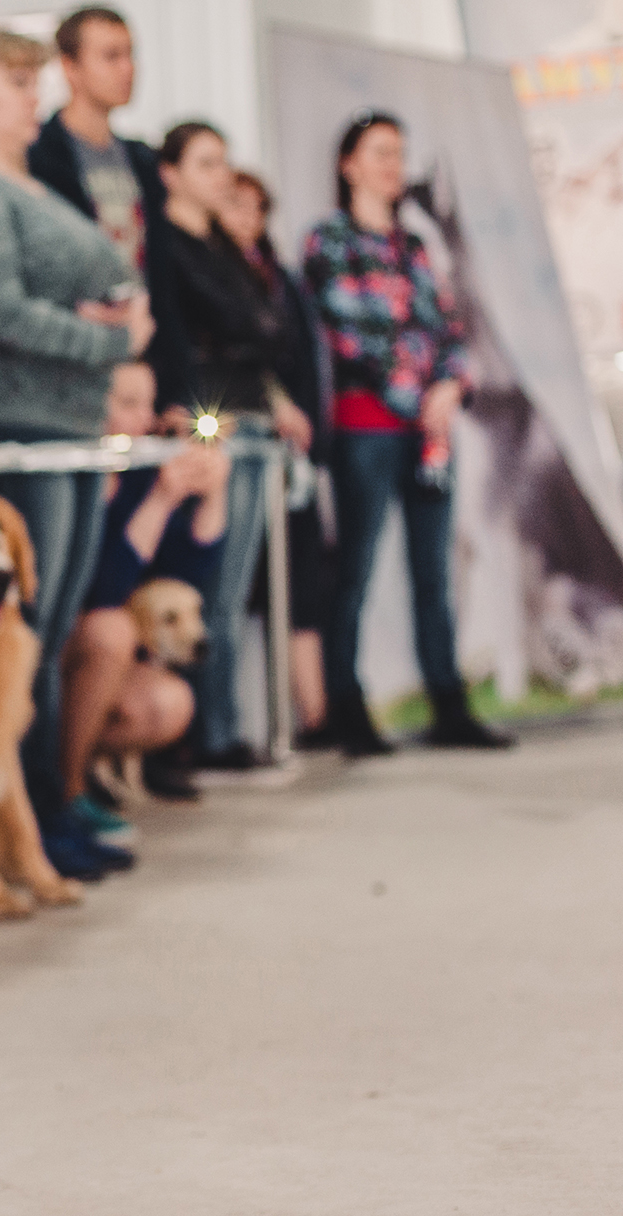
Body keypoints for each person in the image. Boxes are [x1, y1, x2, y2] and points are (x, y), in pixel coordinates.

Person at [0, 30, 149, 882]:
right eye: (14, 80)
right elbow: (1, 312)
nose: (30, 95)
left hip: (62, 430)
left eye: (32, 80)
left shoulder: (19, 181)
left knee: (43, 634)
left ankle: (49, 802)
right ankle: (36, 819)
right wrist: (106, 340)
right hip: (10, 432)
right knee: (23, 640)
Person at [303, 111, 512, 755]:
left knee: (434, 570)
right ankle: (348, 707)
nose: (394, 166)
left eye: (400, 154)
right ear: (349, 165)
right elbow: (350, 336)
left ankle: (448, 701)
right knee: (356, 569)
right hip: (368, 428)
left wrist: (449, 387)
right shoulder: (329, 242)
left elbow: (448, 327)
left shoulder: (414, 246)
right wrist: (415, 398)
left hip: (430, 431)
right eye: (381, 153)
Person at [157, 119, 311, 774]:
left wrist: (275, 395)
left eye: (224, 163)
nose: (221, 176)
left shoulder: (225, 246)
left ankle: (221, 725)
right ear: (171, 174)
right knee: (209, 582)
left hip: (249, 416)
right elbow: (190, 335)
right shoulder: (164, 247)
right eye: (206, 163)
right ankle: (206, 732)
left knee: (238, 580)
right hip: (206, 423)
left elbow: (266, 331)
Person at [61, 361, 227, 843]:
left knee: (168, 704)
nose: (144, 420)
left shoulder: (138, 473)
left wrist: (212, 493)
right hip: (63, 648)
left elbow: (186, 580)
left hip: (100, 655)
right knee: (113, 631)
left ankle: (84, 766)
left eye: (148, 405)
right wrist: (161, 500)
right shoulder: (77, 474)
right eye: (127, 404)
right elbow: (106, 592)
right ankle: (65, 791)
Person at [26, 5, 192, 421]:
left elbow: (162, 276)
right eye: (110, 56)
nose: (127, 69)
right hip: (72, 356)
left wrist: (175, 385)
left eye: (130, 54)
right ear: (70, 68)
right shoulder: (41, 157)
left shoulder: (142, 160)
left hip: (143, 353)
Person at [220, 166, 334, 737]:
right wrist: (273, 402)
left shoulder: (280, 280)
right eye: (236, 205)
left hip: (294, 453)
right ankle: (230, 726)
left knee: (303, 579)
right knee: (238, 584)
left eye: (257, 207)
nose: (248, 218)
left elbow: (306, 358)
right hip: (243, 436)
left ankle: (315, 713)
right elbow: (237, 358)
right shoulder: (214, 277)